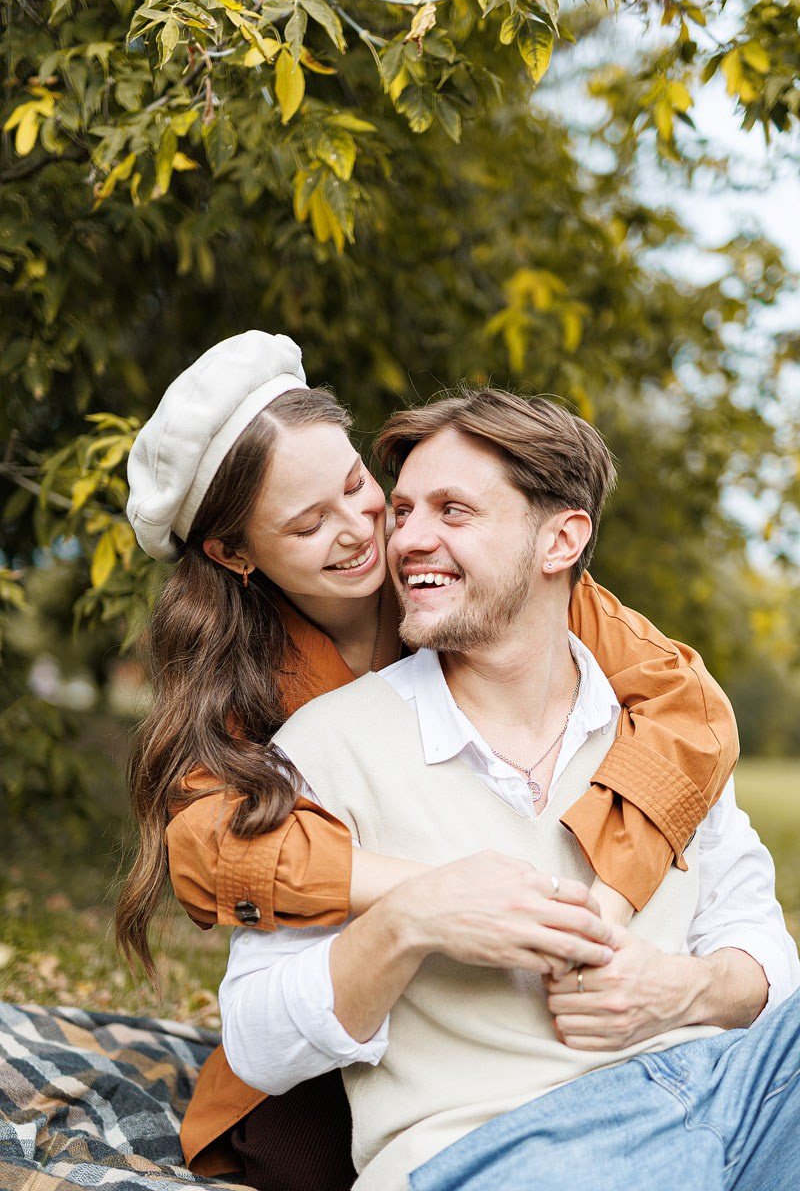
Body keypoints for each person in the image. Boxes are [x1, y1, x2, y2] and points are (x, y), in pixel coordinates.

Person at [118, 332, 738, 1185]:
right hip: (369, 1015)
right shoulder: (252, 689)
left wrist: (609, 905)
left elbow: (687, 710)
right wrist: (432, 893)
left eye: (356, 488)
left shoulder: (496, 588)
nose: (361, 531)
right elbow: (213, 850)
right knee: (311, 1150)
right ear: (234, 553)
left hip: (555, 1018)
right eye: (307, 524)